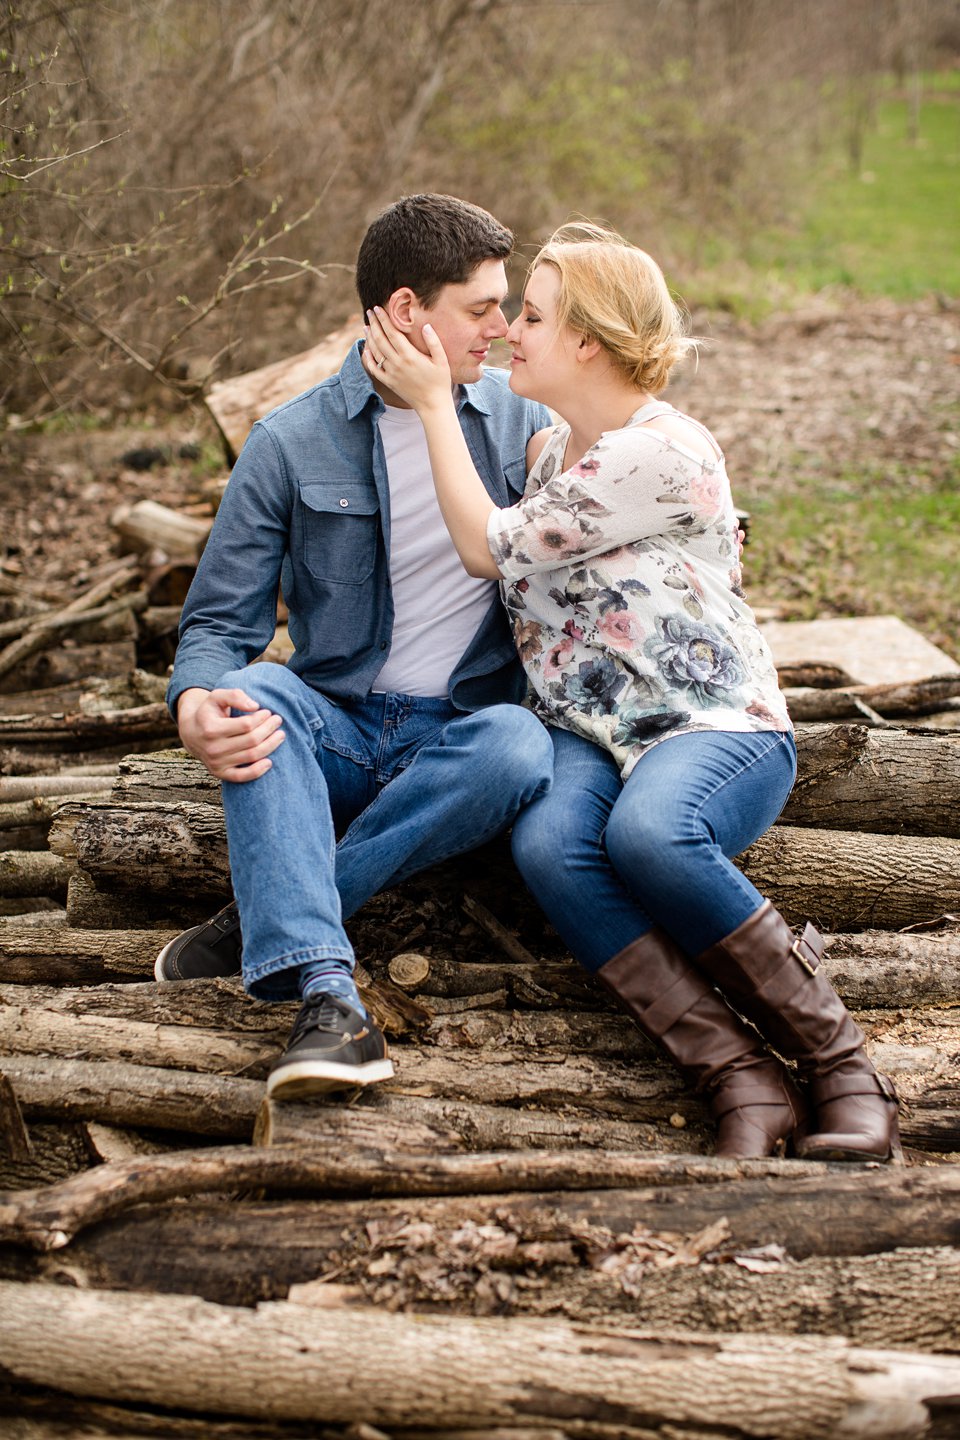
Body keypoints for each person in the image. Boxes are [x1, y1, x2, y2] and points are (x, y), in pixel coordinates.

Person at [362, 221, 901, 1163]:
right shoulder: (543, 460)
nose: (511, 334)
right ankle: (740, 1078)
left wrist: (436, 406)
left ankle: (844, 1070)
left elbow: (483, 548)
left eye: (530, 315)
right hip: (586, 735)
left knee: (647, 833)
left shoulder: (660, 450)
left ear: (588, 341)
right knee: (548, 845)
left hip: (709, 726)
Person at [156, 194, 554, 1101]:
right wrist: (193, 704)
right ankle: (332, 1002)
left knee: (520, 745)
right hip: (334, 722)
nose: (501, 326)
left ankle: (268, 920)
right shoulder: (288, 442)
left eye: (506, 304)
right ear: (410, 311)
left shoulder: (524, 426)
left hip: (458, 735)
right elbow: (221, 622)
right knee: (251, 694)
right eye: (481, 307)